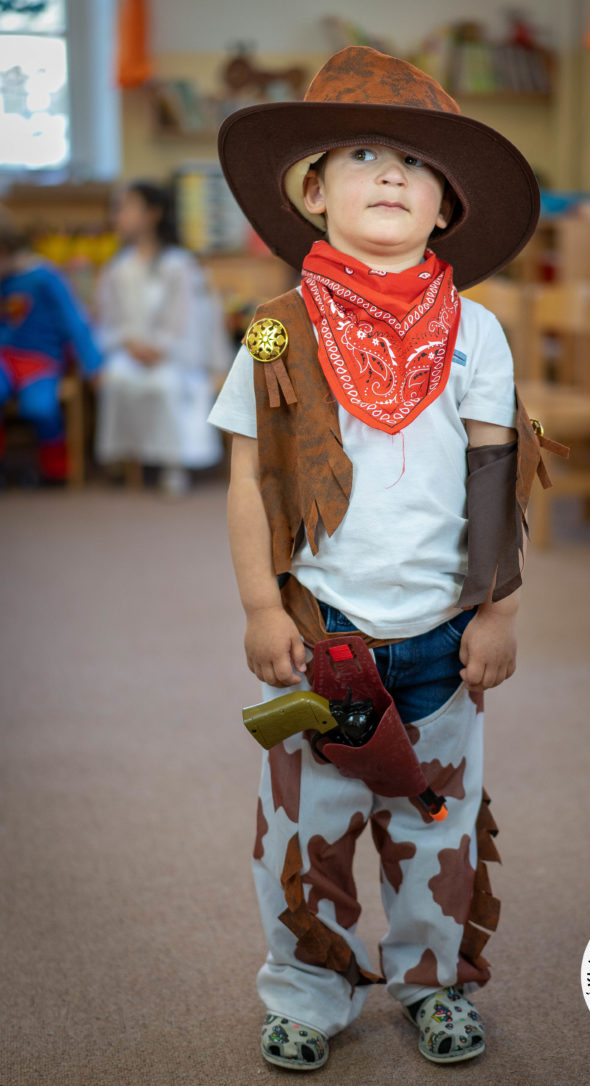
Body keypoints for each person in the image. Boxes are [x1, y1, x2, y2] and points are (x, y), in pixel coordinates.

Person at [208, 47, 560, 1071]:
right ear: (312, 193)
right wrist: (258, 609)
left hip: (444, 645)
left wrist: (498, 612)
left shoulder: (477, 333)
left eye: (415, 160)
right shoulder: (276, 334)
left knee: (439, 835)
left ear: (446, 205)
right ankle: (309, 995)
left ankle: (433, 983)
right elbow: (248, 480)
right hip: (325, 643)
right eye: (361, 153)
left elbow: (496, 475)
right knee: (303, 842)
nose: (392, 173)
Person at [95, 182, 222, 495]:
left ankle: (173, 465)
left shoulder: (179, 264)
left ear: (153, 214)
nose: (119, 215)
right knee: (116, 378)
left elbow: (189, 319)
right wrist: (128, 342)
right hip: (130, 351)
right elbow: (108, 318)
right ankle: (127, 460)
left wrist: (161, 348)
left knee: (166, 384)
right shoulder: (117, 267)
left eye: (127, 207)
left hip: (175, 355)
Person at [0, 206, 102, 485]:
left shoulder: (45, 276)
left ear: (7, 247)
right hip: (4, 358)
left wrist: (93, 365)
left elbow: (74, 321)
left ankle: (54, 470)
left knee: (40, 407)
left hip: (41, 361)